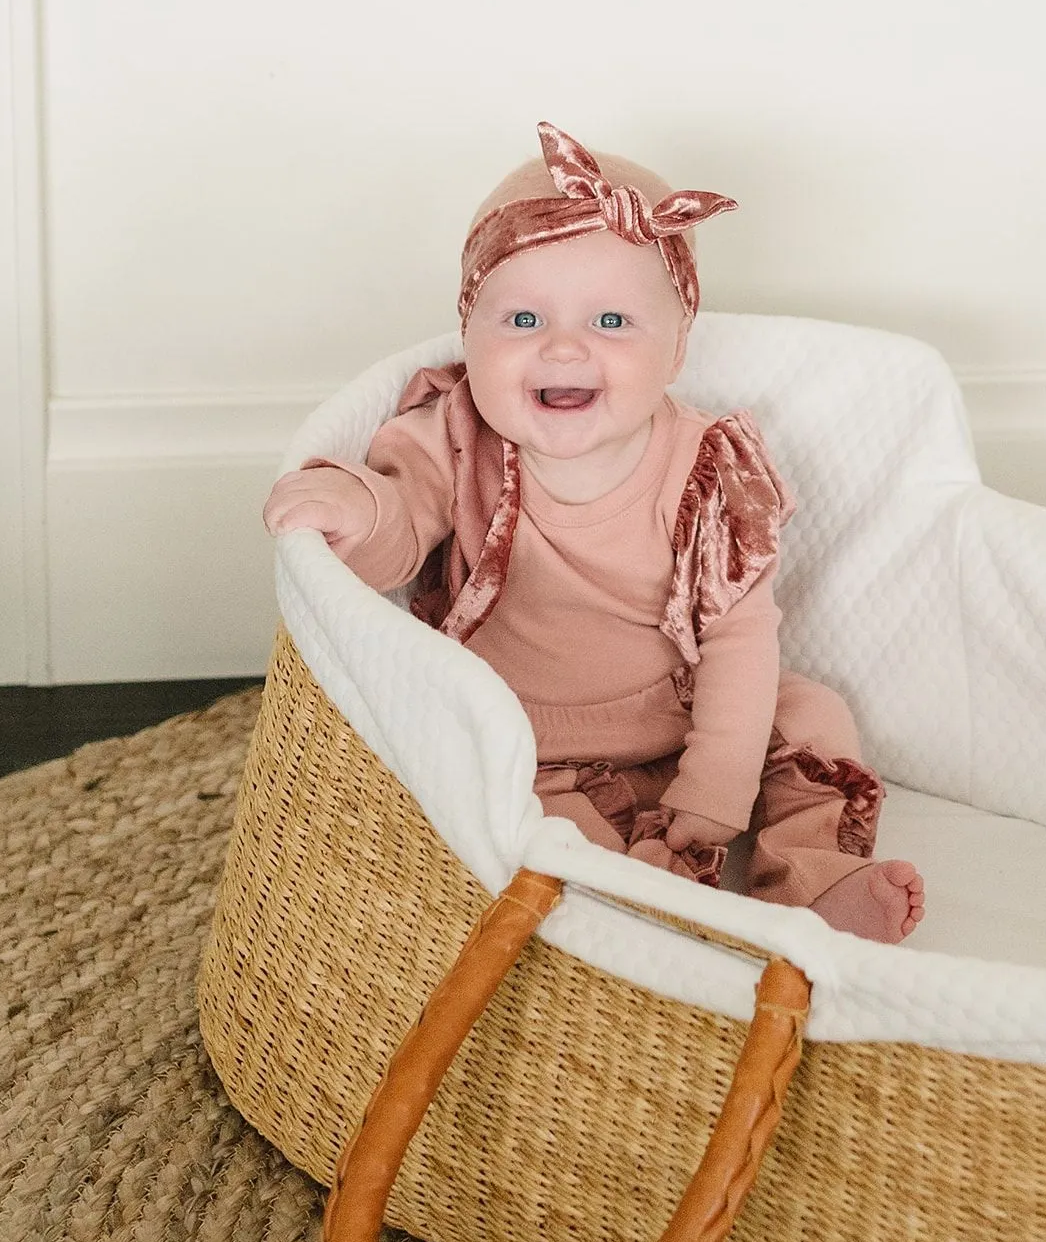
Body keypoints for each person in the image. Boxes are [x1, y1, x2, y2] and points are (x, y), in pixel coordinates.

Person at [263, 122, 924, 943]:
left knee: (812, 715)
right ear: (468, 333)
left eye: (612, 321)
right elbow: (400, 528)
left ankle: (814, 883)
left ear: (677, 347)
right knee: (517, 829)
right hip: (522, 738)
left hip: (682, 712)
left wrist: (715, 790)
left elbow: (739, 638)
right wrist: (358, 509)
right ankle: (639, 896)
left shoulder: (705, 469)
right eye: (523, 319)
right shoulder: (455, 437)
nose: (565, 346)